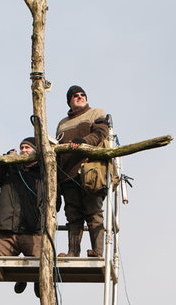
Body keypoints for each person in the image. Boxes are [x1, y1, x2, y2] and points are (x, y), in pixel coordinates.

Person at [56, 85, 109, 258]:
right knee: (73, 215)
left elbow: (101, 133)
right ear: (69, 101)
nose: (80, 97)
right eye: (75, 96)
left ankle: (98, 251)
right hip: (67, 176)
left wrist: (83, 142)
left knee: (94, 212)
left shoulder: (95, 113)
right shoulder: (62, 124)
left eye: (82, 94)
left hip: (90, 171)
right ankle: (73, 252)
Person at [0, 137, 43, 297]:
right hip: (7, 227)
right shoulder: (10, 168)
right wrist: (6, 159)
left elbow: (56, 199)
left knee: (41, 261)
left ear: (36, 151)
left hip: (33, 229)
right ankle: (20, 277)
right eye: (22, 147)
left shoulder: (44, 172)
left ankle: (38, 281)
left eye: (28, 148)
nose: (24, 150)